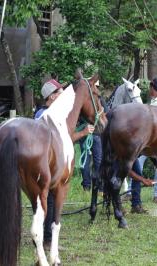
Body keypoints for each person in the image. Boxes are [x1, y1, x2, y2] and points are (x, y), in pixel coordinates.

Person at [34, 79, 94, 249]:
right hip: (46, 169)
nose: (63, 95)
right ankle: (45, 239)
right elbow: (61, 141)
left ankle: (46, 238)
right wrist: (82, 133)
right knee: (48, 204)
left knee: (49, 203)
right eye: (60, 92)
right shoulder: (43, 116)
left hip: (50, 167)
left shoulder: (50, 114)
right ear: (52, 97)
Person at [137, 77, 157, 205]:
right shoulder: (152, 101)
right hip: (146, 141)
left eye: (150, 88)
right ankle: (131, 192)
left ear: (152, 88)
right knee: (137, 164)